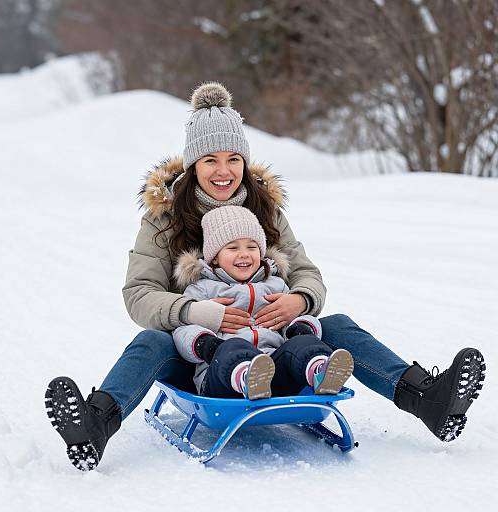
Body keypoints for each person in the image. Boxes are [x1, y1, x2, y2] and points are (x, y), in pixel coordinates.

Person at [45, 81, 486, 472]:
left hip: (279, 347)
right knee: (151, 343)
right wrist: (193, 311)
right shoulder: (164, 220)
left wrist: (301, 300)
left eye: (233, 158)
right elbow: (139, 295)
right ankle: (96, 424)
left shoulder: (265, 211)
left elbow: (308, 274)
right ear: (193, 164)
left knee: (337, 326)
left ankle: (425, 398)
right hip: (203, 354)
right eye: (211, 159)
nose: (223, 171)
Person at [172, 205, 354, 400]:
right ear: (214, 258)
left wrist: (300, 327)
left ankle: (320, 370)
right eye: (233, 248)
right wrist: (206, 344)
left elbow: (300, 318)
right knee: (233, 347)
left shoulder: (276, 285)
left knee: (302, 344)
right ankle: (245, 377)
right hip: (222, 378)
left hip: (275, 373)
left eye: (252, 247)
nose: (244, 254)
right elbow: (182, 330)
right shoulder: (202, 289)